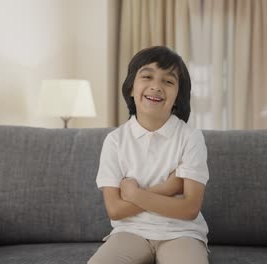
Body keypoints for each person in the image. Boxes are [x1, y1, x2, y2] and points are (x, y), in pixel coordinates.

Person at [88, 46, 209, 264]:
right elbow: (115, 210)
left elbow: (190, 208)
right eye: (147, 76)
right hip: (129, 232)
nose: (156, 86)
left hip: (181, 232)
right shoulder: (115, 141)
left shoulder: (191, 137)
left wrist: (134, 194)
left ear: (178, 97)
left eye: (168, 81)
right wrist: (168, 188)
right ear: (132, 88)